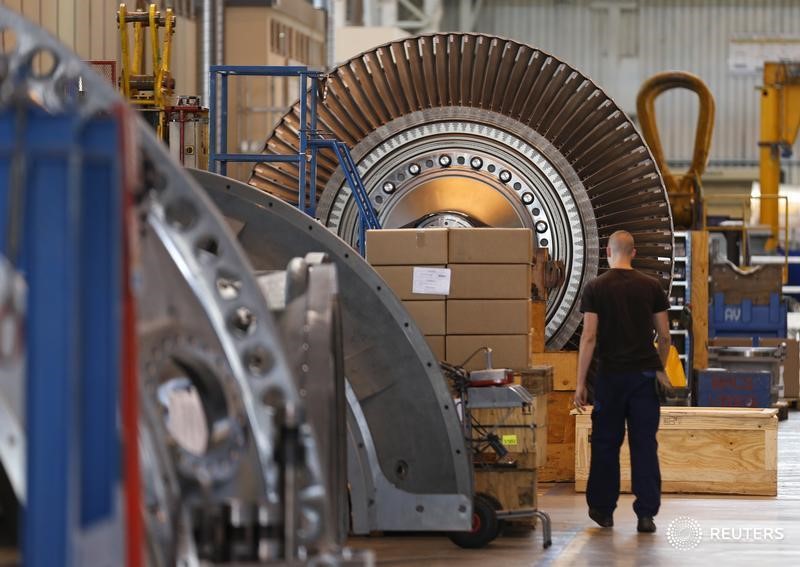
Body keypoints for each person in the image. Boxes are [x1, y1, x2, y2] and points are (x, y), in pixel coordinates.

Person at [574, 230, 672, 534]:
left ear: (607, 251)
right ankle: (646, 515)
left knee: (606, 444)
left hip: (610, 378)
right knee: (644, 445)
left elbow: (589, 337)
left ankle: (603, 511)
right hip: (643, 379)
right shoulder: (651, 286)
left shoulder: (595, 288)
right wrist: (658, 367)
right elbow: (665, 336)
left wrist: (580, 383)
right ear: (634, 252)